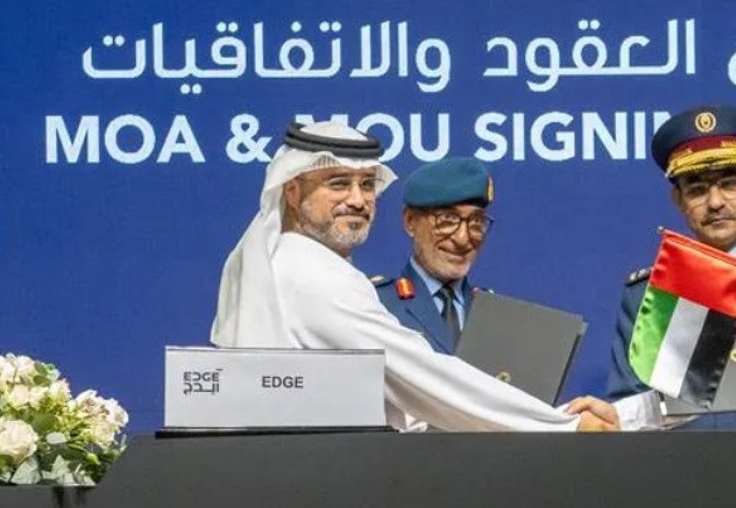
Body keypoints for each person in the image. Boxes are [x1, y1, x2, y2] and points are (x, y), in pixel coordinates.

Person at [209, 120, 616, 432]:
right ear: (293, 192)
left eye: (367, 185)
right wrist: (562, 426)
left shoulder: (283, 262)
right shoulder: (308, 272)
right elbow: (420, 376)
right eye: (338, 184)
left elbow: (384, 406)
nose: (358, 200)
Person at [606, 104, 736, 430]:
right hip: (677, 463)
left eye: (729, 184)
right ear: (678, 200)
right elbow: (628, 416)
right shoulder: (649, 295)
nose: (715, 202)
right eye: (697, 190)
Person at [374, 157, 494, 354]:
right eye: (447, 220)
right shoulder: (377, 305)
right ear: (410, 221)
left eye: (476, 221)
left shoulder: (494, 314)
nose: (462, 238)